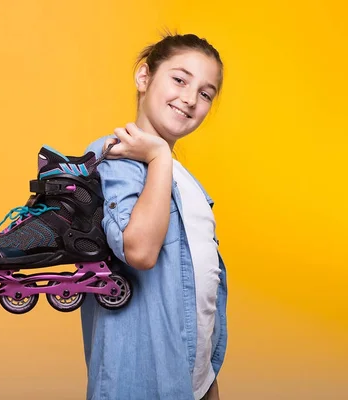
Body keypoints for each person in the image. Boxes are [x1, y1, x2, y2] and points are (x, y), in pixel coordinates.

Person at [80, 32, 228, 400]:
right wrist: (159, 156)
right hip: (141, 378)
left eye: (206, 93)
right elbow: (141, 252)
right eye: (179, 79)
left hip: (190, 375)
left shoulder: (184, 180)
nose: (191, 99)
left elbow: (198, 289)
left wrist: (206, 380)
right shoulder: (113, 156)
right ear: (144, 77)